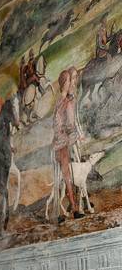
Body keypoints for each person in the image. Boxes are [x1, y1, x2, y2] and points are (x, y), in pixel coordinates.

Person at [52, 67, 83, 218]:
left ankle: (75, 203)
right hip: (62, 143)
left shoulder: (60, 101)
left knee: (69, 171)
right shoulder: (64, 102)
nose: (71, 83)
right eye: (70, 80)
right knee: (67, 174)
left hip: (61, 141)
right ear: (65, 83)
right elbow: (66, 125)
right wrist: (74, 136)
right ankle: (75, 208)